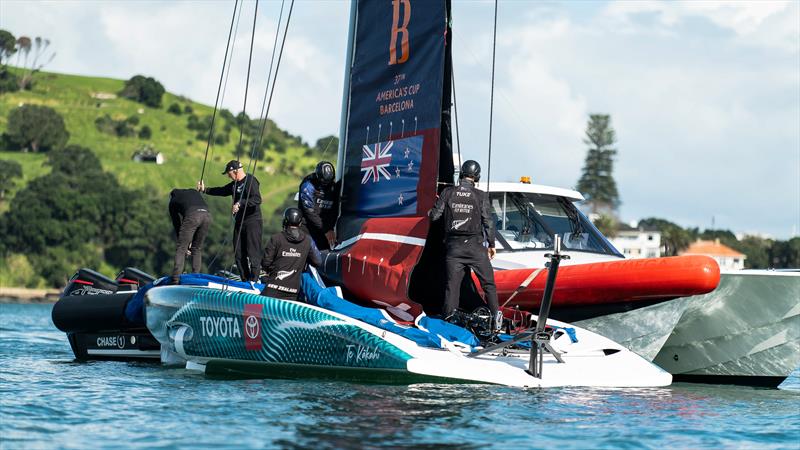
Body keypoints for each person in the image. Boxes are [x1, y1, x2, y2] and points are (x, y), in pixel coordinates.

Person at [428, 160, 501, 331]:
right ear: (477, 177)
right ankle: (496, 320)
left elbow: (434, 217)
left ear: (461, 174)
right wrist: (491, 244)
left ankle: (448, 323)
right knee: (488, 285)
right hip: (476, 248)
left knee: (452, 287)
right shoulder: (481, 195)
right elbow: (488, 222)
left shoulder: (447, 192)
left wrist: (429, 211)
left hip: (454, 249)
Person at [197, 160, 263, 282]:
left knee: (253, 253)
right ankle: (245, 280)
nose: (228, 176)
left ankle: (254, 281)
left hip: (252, 222)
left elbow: (257, 199)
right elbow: (221, 191)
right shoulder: (234, 184)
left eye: (229, 173)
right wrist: (204, 189)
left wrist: (240, 203)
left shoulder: (251, 181)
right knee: (238, 254)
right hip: (239, 222)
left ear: (235, 171)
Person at [260, 207, 322, 301]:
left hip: (273, 288)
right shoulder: (308, 241)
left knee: (253, 309)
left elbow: (265, 263)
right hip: (293, 292)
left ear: (285, 221)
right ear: (300, 223)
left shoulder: (276, 238)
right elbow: (318, 262)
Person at [168, 188, 212, 283]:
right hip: (207, 215)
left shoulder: (173, 201)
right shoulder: (192, 191)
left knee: (181, 248)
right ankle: (195, 277)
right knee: (196, 248)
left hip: (192, 215)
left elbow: (177, 223)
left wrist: (184, 243)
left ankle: (175, 279)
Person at [298, 161, 339, 250]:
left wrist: (329, 228)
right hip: (307, 227)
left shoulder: (333, 186)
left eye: (328, 182)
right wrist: (326, 229)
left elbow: (335, 209)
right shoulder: (308, 185)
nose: (325, 185)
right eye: (323, 182)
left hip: (324, 229)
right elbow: (309, 212)